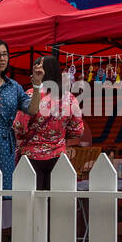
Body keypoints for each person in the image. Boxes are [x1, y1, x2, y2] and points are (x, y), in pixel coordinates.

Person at [15, 55, 85, 191]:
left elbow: (19, 127)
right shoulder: (70, 99)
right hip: (58, 156)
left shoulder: (30, 95)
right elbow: (78, 131)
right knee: (55, 205)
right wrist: (60, 135)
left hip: (31, 156)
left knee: (33, 203)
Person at [0, 38, 42, 190]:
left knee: (3, 190)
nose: (2, 58)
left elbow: (32, 109)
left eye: (5, 54)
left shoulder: (13, 86)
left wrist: (36, 85)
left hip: (6, 141)